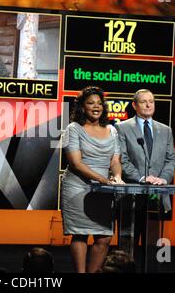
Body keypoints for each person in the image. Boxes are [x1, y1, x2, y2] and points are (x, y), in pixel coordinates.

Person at [61, 86, 124, 273]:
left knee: (104, 237)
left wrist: (117, 176)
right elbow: (76, 163)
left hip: (103, 191)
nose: (96, 107)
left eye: (99, 103)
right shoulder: (74, 129)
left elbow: (115, 160)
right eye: (90, 103)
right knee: (80, 235)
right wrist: (102, 179)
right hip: (78, 188)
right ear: (82, 107)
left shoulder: (112, 130)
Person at [114, 89, 175, 247]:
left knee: (153, 243)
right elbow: (122, 159)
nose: (149, 105)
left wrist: (162, 179)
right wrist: (141, 178)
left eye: (151, 101)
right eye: (144, 101)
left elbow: (171, 159)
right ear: (135, 105)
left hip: (156, 197)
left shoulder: (165, 130)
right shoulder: (122, 128)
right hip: (130, 196)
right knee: (128, 242)